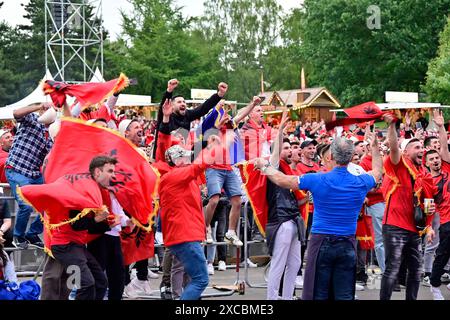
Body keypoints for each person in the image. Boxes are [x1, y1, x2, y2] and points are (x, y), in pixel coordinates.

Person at [254, 131, 382, 300]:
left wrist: (264, 166)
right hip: (348, 243)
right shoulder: (362, 181)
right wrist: (374, 148)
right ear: (351, 157)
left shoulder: (318, 179)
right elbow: (378, 171)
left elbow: (282, 180)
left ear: (331, 156)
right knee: (344, 294)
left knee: (317, 293)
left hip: (322, 242)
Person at [379, 114, 437, 300]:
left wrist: (428, 227)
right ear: (406, 152)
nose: (422, 150)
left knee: (416, 270)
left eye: (422, 147)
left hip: (414, 230)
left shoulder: (424, 174)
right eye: (417, 147)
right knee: (393, 268)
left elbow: (428, 203)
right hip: (394, 226)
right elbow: (394, 147)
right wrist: (392, 126)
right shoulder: (399, 165)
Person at [50, 156, 118, 300]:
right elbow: (76, 224)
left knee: (100, 283)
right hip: (65, 246)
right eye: (110, 171)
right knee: (85, 284)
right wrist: (98, 219)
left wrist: (106, 224)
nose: (114, 175)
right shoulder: (82, 188)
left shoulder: (92, 189)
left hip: (76, 246)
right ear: (98, 172)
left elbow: (87, 228)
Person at [263, 111, 305, 300]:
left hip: (294, 220)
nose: (289, 150)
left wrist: (309, 197)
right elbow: (274, 154)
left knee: (295, 264)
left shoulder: (288, 172)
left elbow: (295, 201)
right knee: (278, 264)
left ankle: (286, 297)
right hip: (280, 221)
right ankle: (272, 300)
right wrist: (280, 130)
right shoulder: (272, 169)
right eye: (285, 147)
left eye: (290, 148)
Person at [6, 103, 53, 249]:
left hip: (34, 174)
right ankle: (18, 236)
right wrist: (38, 105)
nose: (47, 112)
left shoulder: (51, 135)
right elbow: (16, 113)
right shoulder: (32, 119)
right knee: (25, 205)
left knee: (50, 204)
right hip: (16, 169)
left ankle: (32, 234)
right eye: (45, 110)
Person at [426, 110, 450, 300]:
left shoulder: (447, 167)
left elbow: (443, 146)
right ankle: (434, 284)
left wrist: (441, 126)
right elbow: (427, 208)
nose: (436, 160)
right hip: (446, 221)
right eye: (431, 159)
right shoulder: (426, 182)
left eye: (437, 158)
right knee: (442, 254)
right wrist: (428, 228)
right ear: (426, 163)